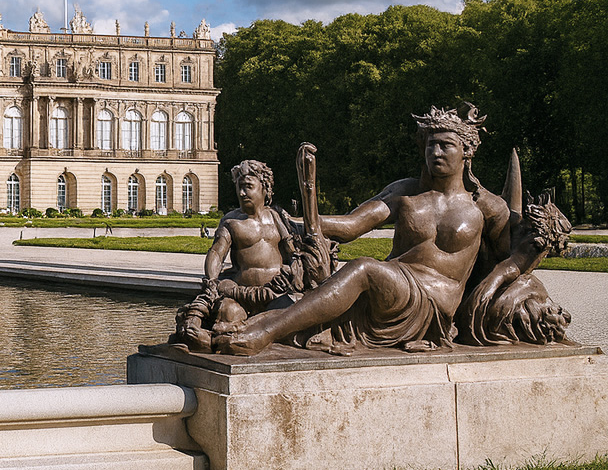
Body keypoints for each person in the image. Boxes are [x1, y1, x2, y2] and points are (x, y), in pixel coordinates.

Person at [215, 106, 510, 356]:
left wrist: (499, 281)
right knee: (301, 303)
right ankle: (235, 330)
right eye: (430, 145)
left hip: (434, 302)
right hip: (390, 292)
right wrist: (294, 217)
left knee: (364, 268)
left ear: (467, 151)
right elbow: (350, 226)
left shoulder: (486, 206)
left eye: (445, 145)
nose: (435, 152)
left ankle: (263, 333)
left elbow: (519, 253)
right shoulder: (406, 193)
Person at [173, 161, 298, 350]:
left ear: (264, 188)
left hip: (275, 292)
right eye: (239, 187)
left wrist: (291, 272)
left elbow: (294, 253)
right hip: (242, 293)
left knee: (294, 312)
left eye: (248, 187)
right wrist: (212, 279)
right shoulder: (231, 221)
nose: (242, 193)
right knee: (228, 313)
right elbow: (217, 252)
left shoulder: (278, 218)